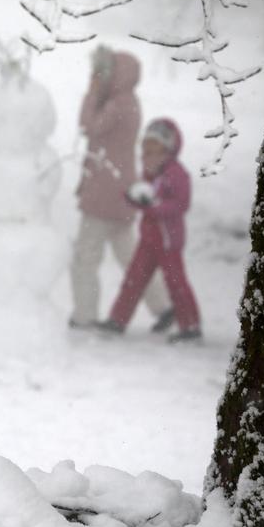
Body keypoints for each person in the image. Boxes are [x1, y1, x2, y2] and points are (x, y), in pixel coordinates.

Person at [70, 45, 172, 331]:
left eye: (103, 72)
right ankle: (163, 306)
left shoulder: (118, 104)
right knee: (131, 257)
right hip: (120, 192)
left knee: (85, 258)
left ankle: (84, 315)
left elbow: (88, 125)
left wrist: (92, 92)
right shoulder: (129, 101)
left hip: (104, 193)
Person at [97, 117, 202, 342]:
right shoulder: (150, 171)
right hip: (149, 238)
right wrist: (134, 198)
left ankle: (190, 327)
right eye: (146, 144)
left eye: (154, 145)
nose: (148, 150)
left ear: (168, 146)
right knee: (134, 279)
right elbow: (148, 199)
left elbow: (180, 204)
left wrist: (153, 207)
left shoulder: (176, 172)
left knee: (176, 282)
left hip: (168, 239)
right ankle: (118, 320)